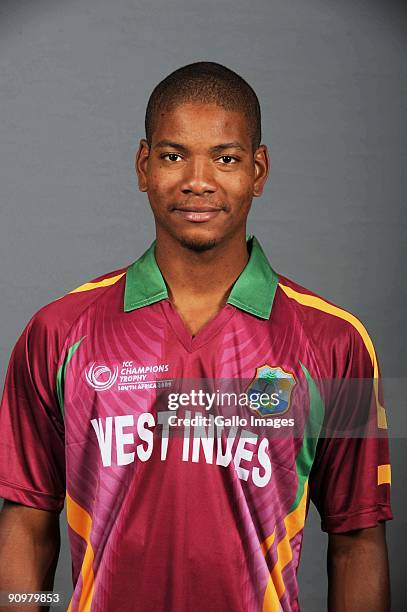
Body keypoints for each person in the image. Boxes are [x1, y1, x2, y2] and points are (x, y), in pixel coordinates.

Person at [0, 61, 392, 612]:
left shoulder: (336, 342)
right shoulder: (58, 332)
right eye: (173, 155)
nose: (198, 180)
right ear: (143, 165)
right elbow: (27, 524)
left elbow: (357, 542)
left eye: (226, 158)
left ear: (259, 170)